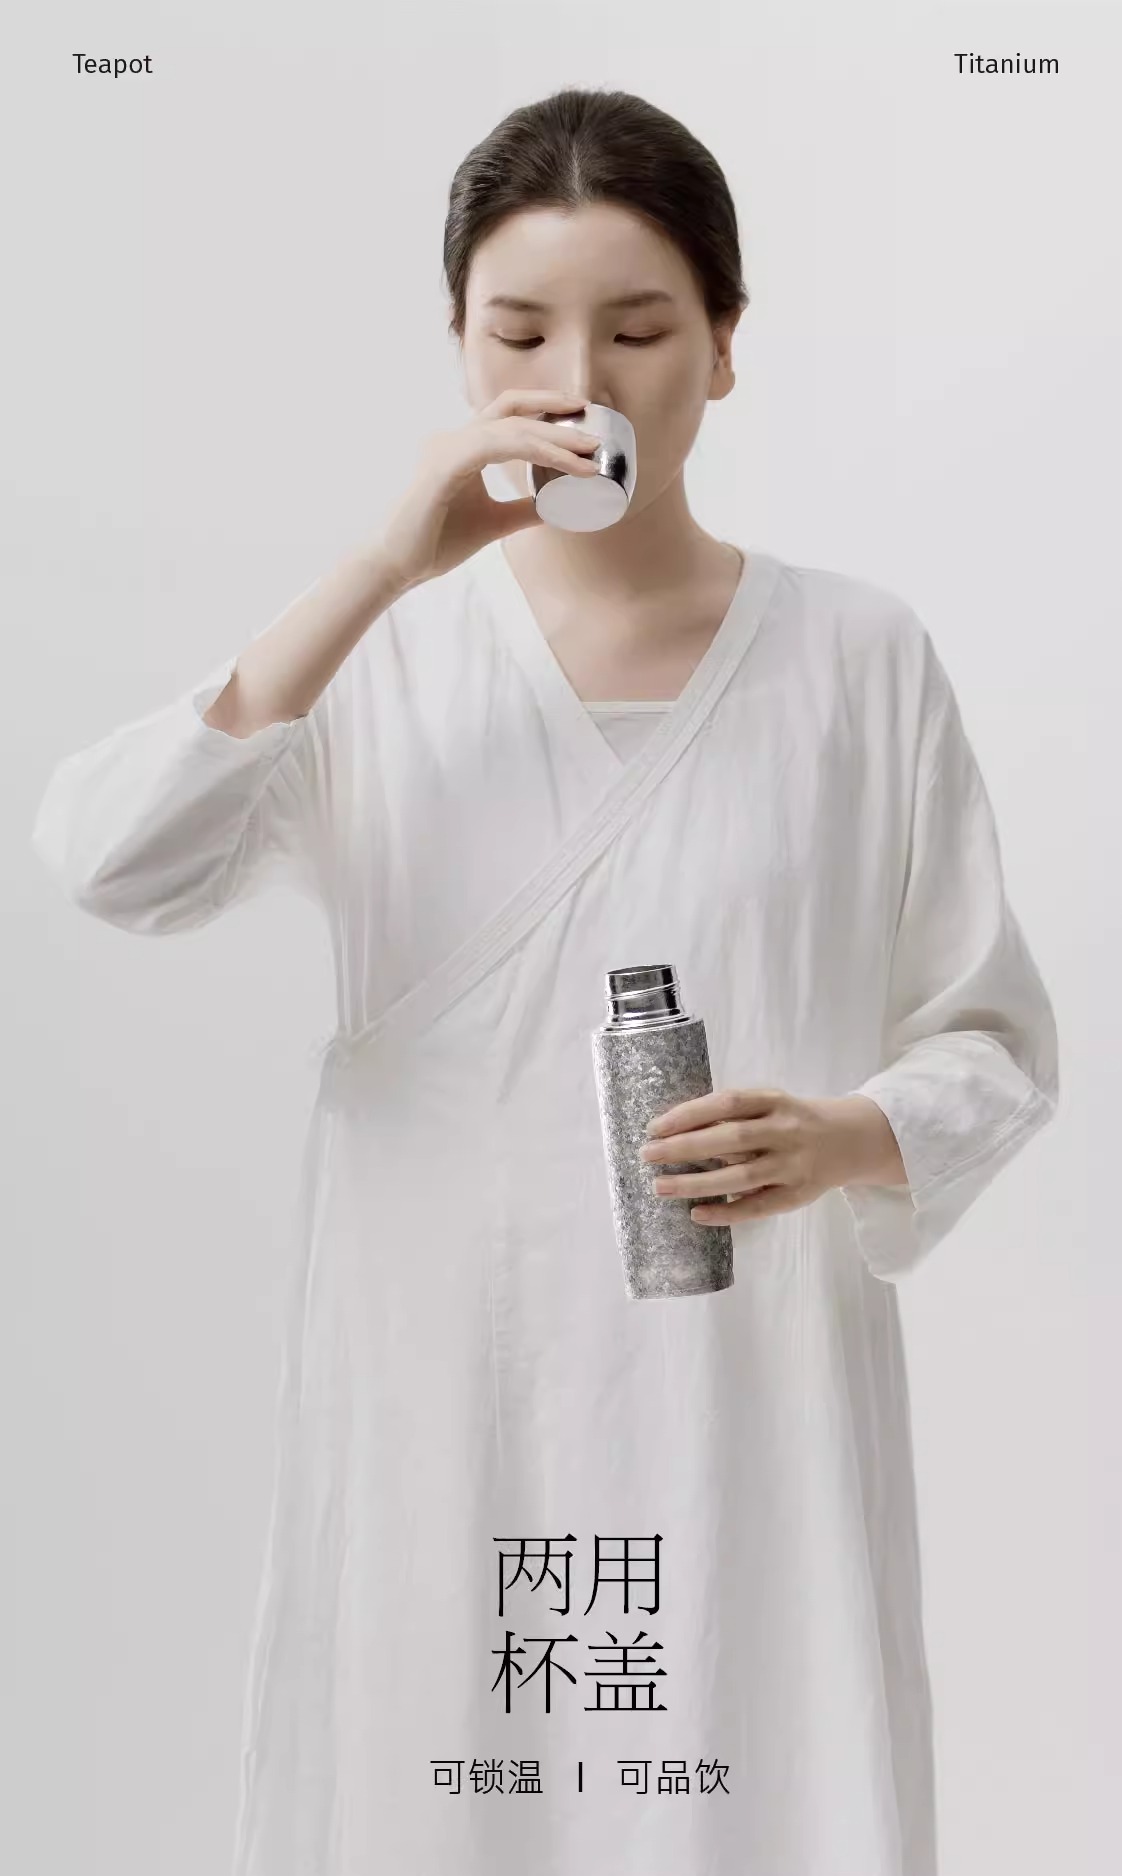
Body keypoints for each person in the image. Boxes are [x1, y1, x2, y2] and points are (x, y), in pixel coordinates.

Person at [31, 86, 1059, 1876]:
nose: (578, 381)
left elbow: (989, 1034)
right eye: (517, 334)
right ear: (456, 348)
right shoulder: (382, 662)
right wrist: (377, 568)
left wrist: (847, 1135)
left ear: (722, 348)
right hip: (450, 1400)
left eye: (639, 330)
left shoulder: (856, 660)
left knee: (755, 1793)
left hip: (748, 1410)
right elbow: (114, 861)